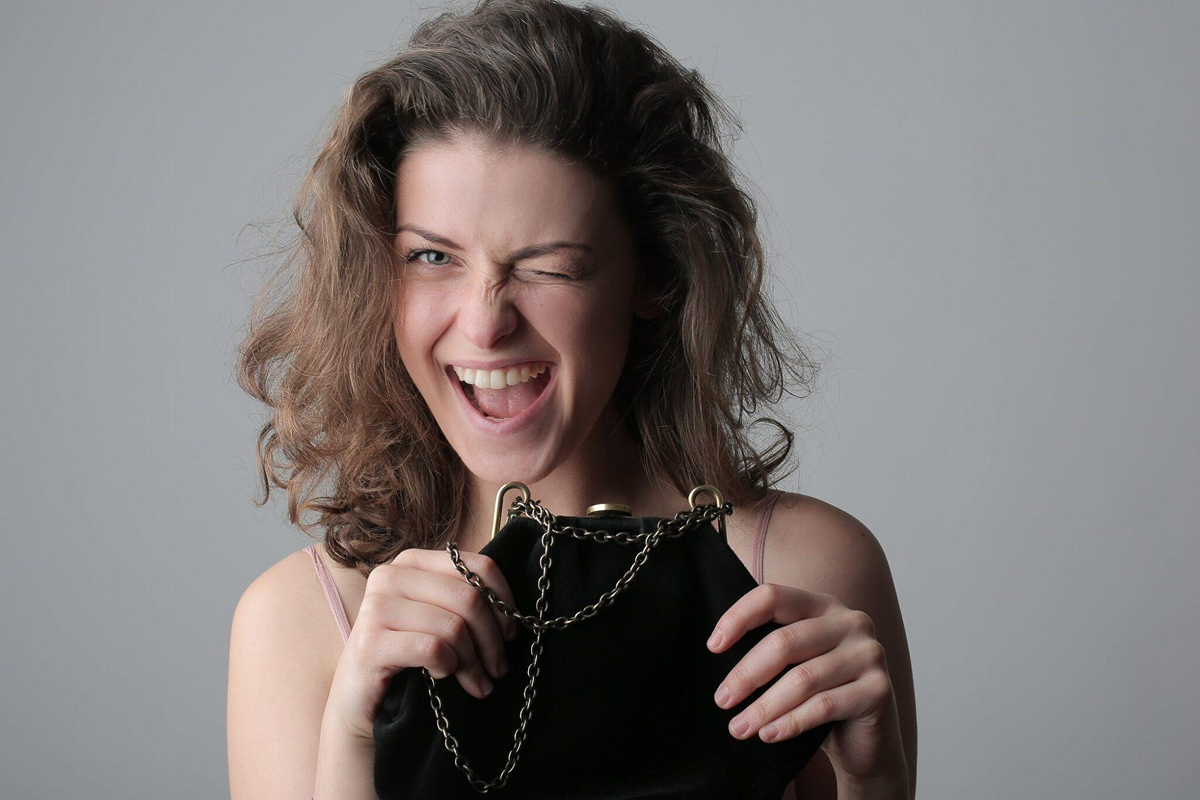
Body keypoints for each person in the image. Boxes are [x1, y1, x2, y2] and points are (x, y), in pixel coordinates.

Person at [226, 1, 916, 798]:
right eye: (431, 256)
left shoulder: (800, 572)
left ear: (654, 277)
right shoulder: (300, 622)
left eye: (551, 267)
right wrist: (352, 735)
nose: (485, 323)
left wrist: (877, 782)